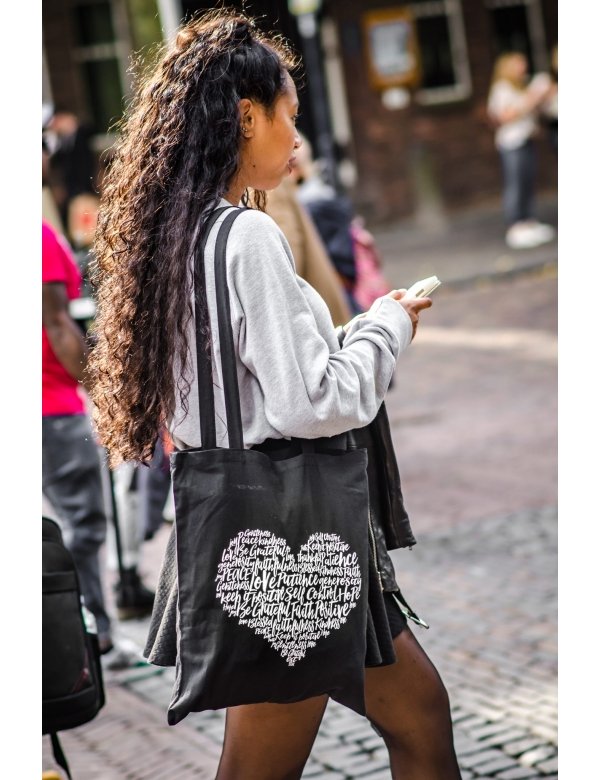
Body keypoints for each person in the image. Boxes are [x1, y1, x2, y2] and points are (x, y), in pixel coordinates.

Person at [88, 11, 461, 778]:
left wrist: (351, 333)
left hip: (262, 526)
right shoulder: (248, 235)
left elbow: (253, 380)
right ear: (245, 114)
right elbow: (306, 405)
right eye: (287, 116)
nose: (295, 137)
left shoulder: (179, 233)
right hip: (290, 533)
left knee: (420, 713)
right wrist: (385, 328)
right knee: (265, 767)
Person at [487, 52, 556, 250]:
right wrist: (532, 97)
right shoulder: (502, 89)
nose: (523, 67)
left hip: (526, 140)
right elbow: (505, 116)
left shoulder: (521, 86)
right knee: (515, 184)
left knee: (528, 181)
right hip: (512, 143)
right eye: (519, 64)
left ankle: (528, 222)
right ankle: (515, 225)